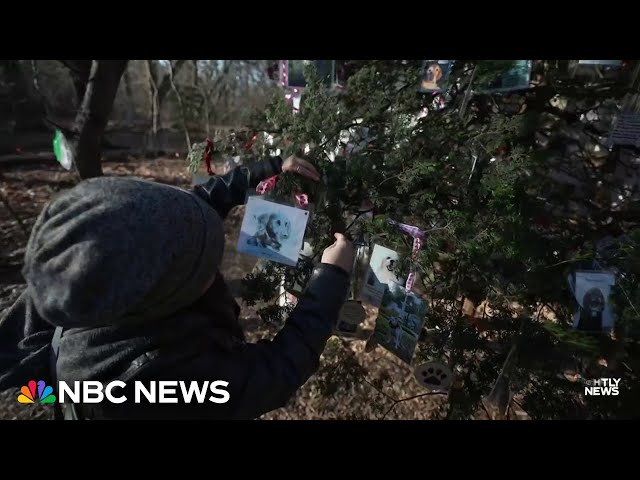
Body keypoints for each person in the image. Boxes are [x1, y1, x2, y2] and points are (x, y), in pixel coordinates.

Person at [0, 154, 354, 420]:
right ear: (162, 299)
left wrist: (267, 169)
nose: (215, 271)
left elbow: (187, 212)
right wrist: (330, 279)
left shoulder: (78, 276)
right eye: (203, 268)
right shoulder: (160, 385)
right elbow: (274, 373)